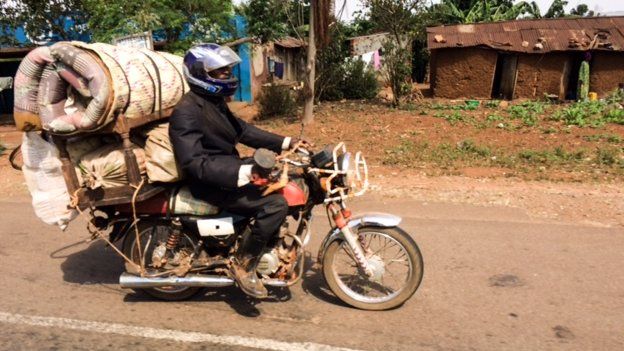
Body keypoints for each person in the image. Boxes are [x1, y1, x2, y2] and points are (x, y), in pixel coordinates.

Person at [169, 44, 296, 298]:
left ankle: (261, 241)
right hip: (210, 183)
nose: (228, 75)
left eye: (227, 70)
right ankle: (243, 263)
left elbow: (243, 131)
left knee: (290, 180)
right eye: (220, 72)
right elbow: (194, 163)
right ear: (200, 74)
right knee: (275, 205)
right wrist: (246, 172)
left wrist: (286, 142)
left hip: (225, 170)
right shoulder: (186, 111)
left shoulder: (213, 102)